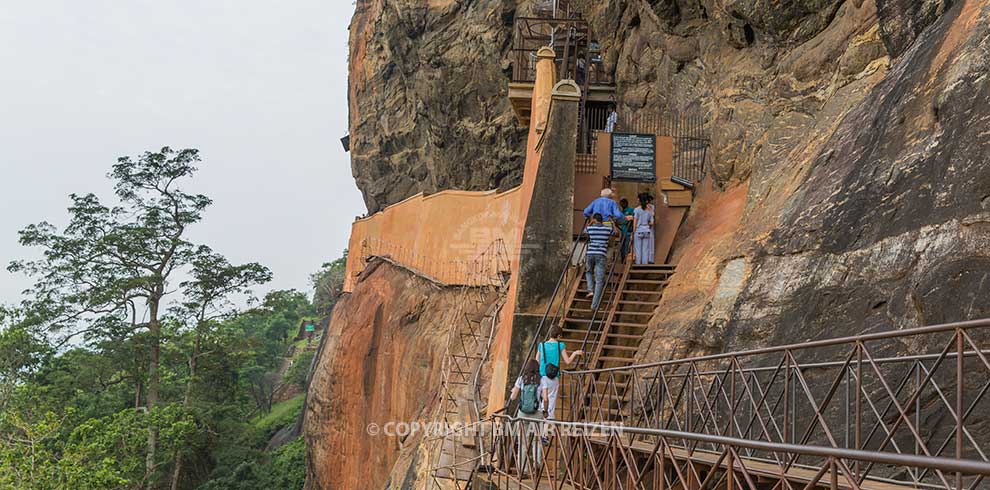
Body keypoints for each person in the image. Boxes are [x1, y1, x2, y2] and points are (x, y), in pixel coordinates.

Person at [536, 325, 584, 422]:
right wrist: (575, 353)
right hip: (553, 378)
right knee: (550, 404)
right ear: (558, 336)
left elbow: (537, 361)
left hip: (542, 377)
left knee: (541, 403)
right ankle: (545, 433)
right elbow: (568, 361)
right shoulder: (560, 345)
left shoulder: (541, 345)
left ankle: (538, 428)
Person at [507, 359, 542, 475]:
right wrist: (545, 410)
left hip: (522, 414)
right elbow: (545, 398)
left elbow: (512, 397)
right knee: (537, 440)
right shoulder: (542, 380)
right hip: (537, 413)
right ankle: (537, 464)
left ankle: (523, 469)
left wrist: (513, 390)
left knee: (523, 442)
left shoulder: (521, 379)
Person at [585, 213, 615, 309]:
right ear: (602, 220)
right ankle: (594, 306)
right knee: (599, 280)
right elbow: (616, 232)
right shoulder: (607, 229)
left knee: (589, 272)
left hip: (590, 253)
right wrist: (612, 222)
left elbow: (584, 231)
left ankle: (590, 290)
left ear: (594, 220)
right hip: (601, 254)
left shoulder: (591, 228)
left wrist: (590, 222)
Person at [633, 195, 655, 265]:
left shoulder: (636, 210)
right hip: (647, 231)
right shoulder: (649, 211)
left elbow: (635, 221)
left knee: (638, 249)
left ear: (639, 200)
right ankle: (644, 264)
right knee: (645, 249)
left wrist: (633, 231)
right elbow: (652, 222)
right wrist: (647, 225)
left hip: (638, 230)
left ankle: (638, 264)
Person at [619, 198, 635, 262]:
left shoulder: (631, 210)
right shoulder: (620, 212)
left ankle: (626, 259)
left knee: (627, 246)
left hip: (628, 231)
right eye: (621, 203)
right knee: (622, 246)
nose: (623, 205)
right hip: (622, 231)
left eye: (624, 203)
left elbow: (633, 217)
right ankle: (623, 259)